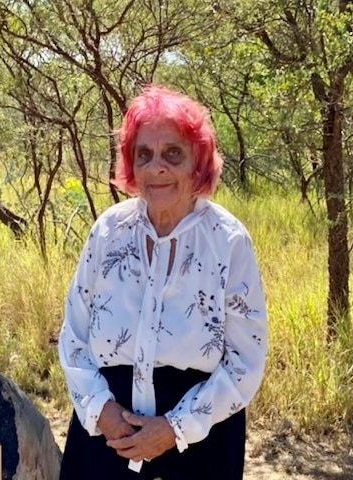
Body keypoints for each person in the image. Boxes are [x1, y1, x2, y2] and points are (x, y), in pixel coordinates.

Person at [57, 85, 268, 480]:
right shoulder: (108, 231)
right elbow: (74, 337)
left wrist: (174, 428)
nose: (157, 167)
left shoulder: (228, 240)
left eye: (173, 153)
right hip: (106, 431)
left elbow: (245, 361)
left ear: (198, 162)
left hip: (200, 439)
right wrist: (102, 411)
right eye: (144, 154)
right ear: (130, 165)